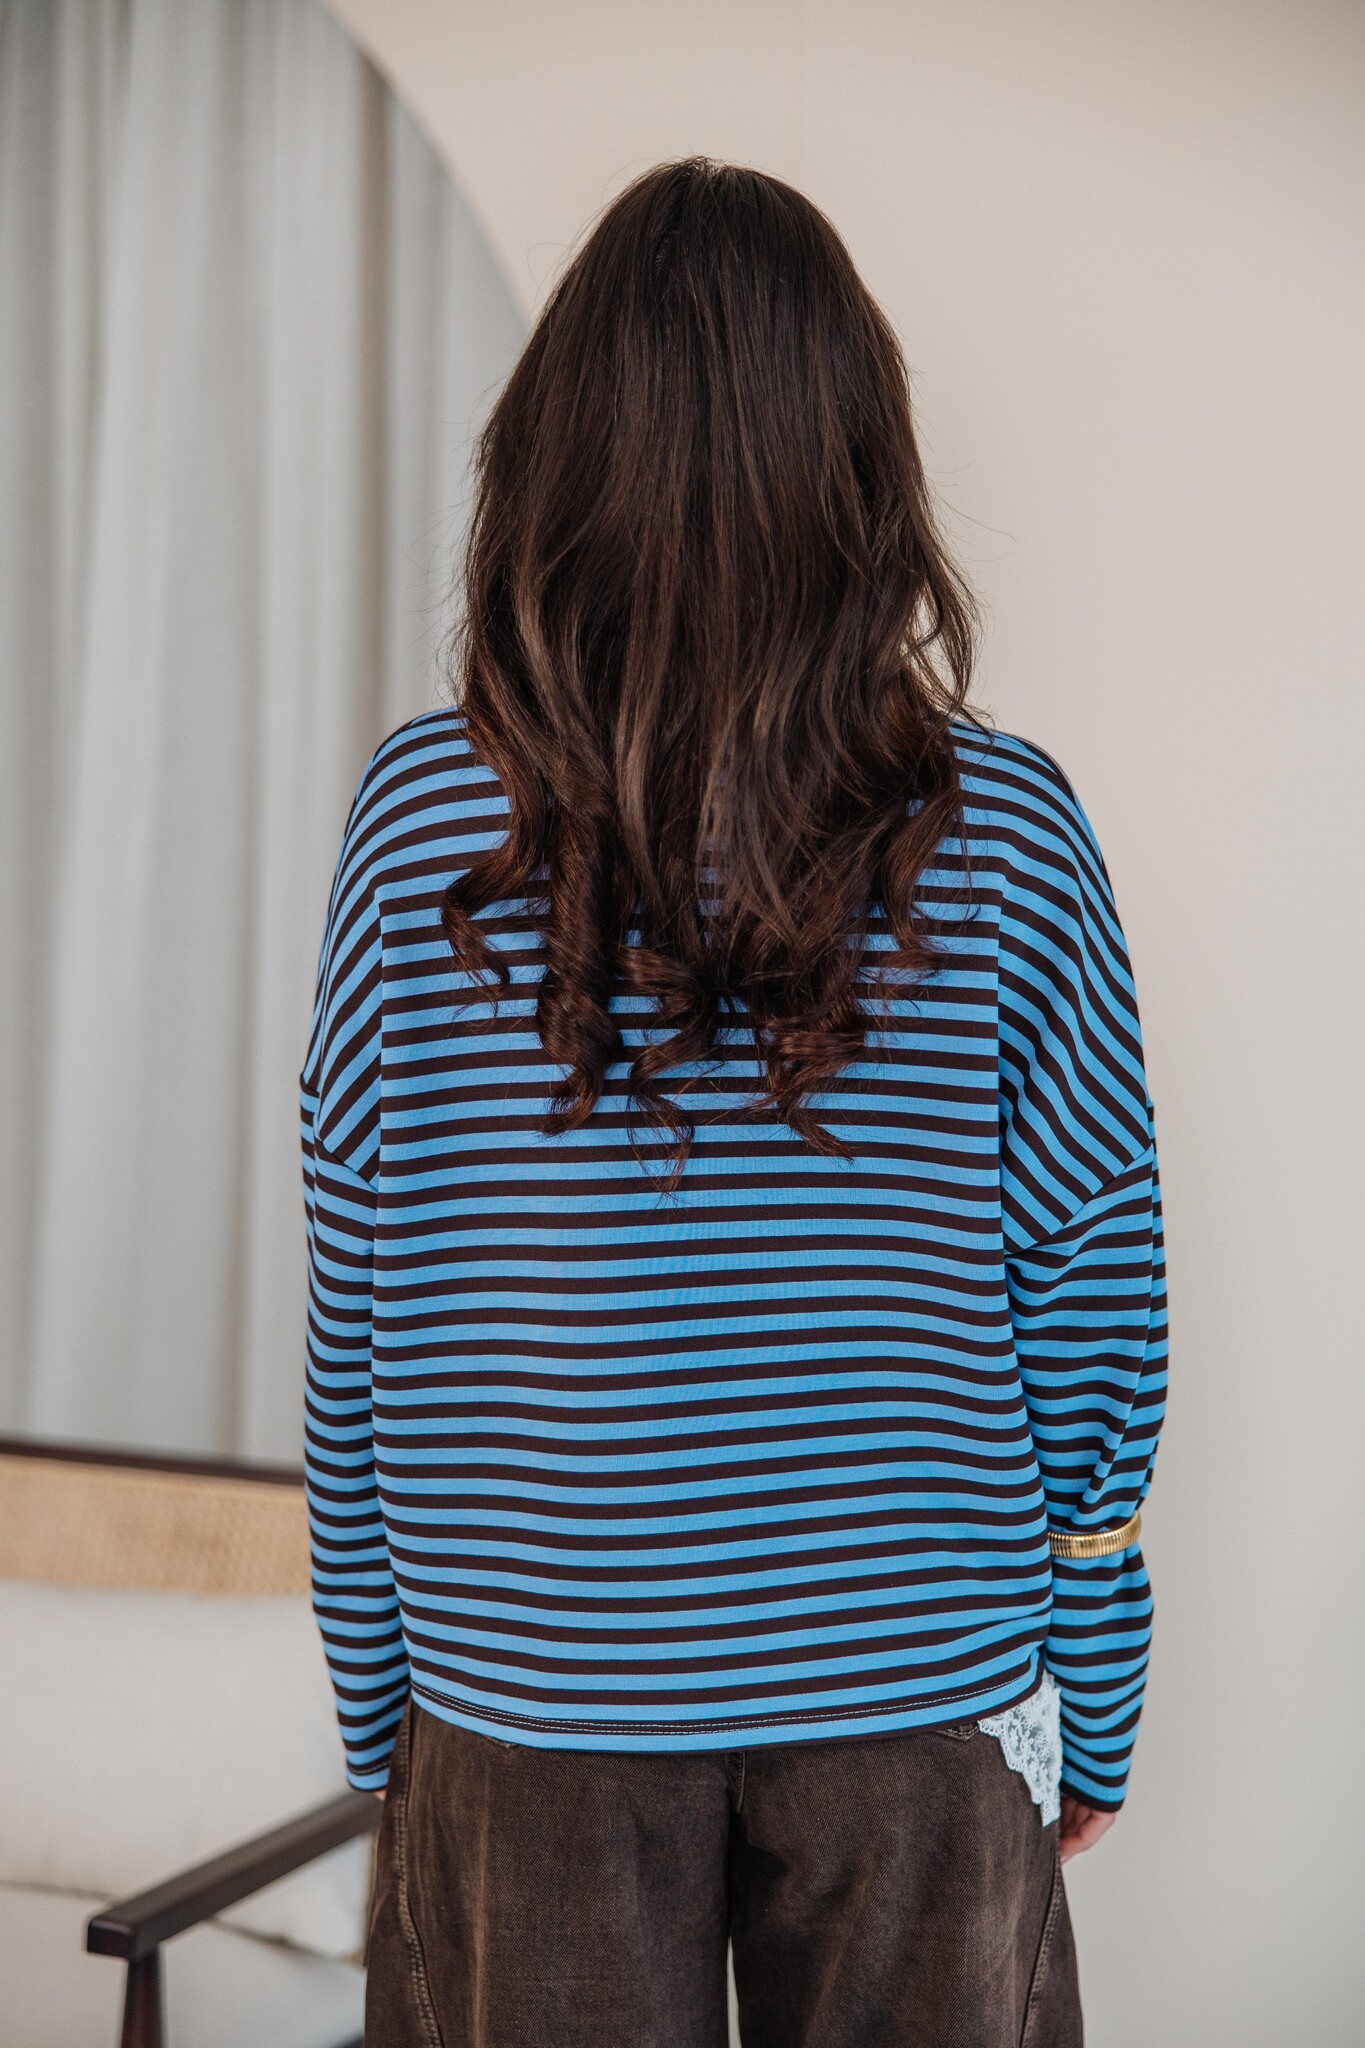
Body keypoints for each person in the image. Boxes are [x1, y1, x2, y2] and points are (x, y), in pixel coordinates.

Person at [301, 158, 1167, 2048]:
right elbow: (1090, 1294)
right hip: (919, 1695)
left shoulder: (420, 819)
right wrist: (1095, 1681)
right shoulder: (1005, 826)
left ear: (552, 463)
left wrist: (380, 1699)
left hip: (523, 1695)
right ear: (856, 468)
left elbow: (360, 1293)